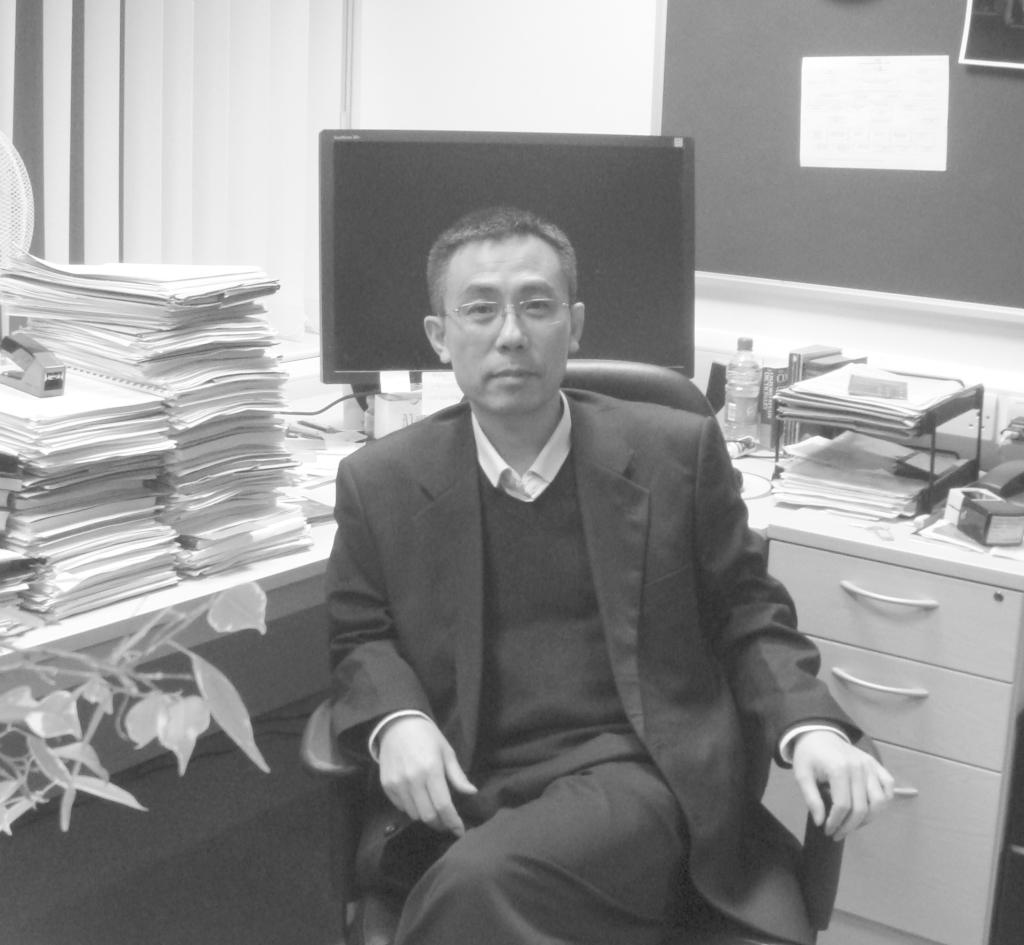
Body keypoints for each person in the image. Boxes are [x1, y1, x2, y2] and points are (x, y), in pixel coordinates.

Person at [325, 206, 894, 945]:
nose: (510, 334)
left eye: (537, 306)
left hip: (640, 773)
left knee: (474, 885)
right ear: (440, 336)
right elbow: (360, 634)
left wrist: (810, 726)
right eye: (480, 309)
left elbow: (748, 614)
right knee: (480, 881)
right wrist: (396, 721)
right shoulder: (382, 481)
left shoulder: (674, 453)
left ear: (575, 325)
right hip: (472, 783)